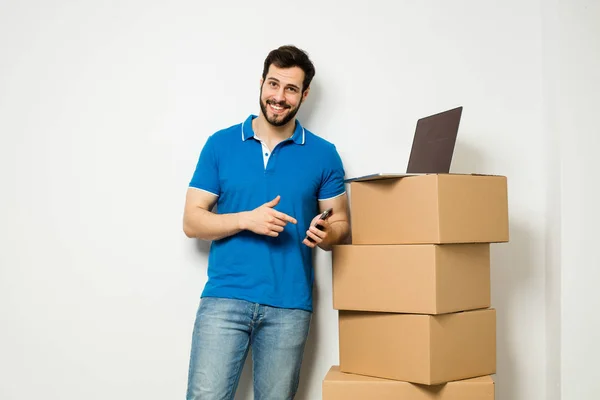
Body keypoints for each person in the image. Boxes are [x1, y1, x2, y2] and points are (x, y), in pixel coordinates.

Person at [182, 45, 350, 400]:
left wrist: (325, 233)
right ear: (261, 83)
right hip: (225, 299)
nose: (279, 97)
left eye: (291, 89)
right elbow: (192, 221)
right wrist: (247, 219)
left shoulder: (324, 154)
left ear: (304, 95)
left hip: (289, 305)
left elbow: (342, 225)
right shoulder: (220, 144)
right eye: (273, 84)